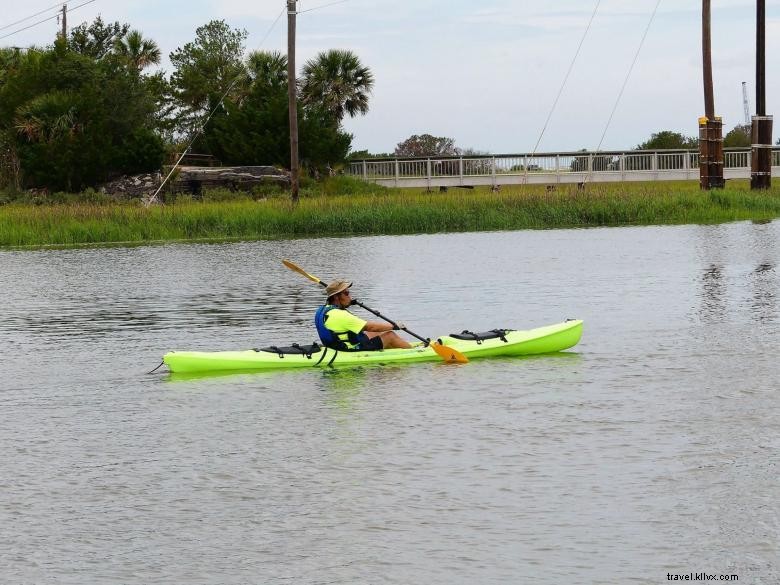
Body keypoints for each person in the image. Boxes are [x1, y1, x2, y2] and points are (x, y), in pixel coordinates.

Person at [315, 280, 412, 351]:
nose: (350, 297)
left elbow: (368, 329)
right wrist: (394, 326)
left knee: (375, 333)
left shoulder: (322, 310)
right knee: (390, 335)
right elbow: (370, 326)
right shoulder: (341, 314)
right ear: (336, 297)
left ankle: (398, 347)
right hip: (349, 349)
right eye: (346, 293)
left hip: (335, 346)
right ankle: (413, 352)